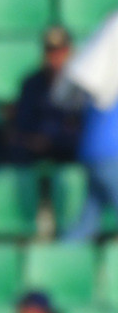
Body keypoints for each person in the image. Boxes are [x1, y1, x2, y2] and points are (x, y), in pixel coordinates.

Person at [10, 27, 84, 164]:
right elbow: (23, 123)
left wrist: (55, 139)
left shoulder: (81, 84)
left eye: (61, 51)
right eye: (51, 51)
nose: (56, 57)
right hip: (37, 151)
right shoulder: (32, 83)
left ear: (69, 52)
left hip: (70, 150)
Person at [64, 90, 118, 242]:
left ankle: (61, 255)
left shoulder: (97, 89)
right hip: (111, 158)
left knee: (87, 222)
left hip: (91, 157)